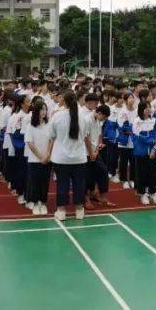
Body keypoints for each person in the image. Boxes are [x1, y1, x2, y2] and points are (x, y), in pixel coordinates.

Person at [50, 91, 92, 220]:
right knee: (79, 184)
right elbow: (86, 137)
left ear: (64, 101)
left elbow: (52, 136)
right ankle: (79, 210)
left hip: (61, 158)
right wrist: (90, 152)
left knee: (62, 183)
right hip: (79, 157)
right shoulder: (83, 117)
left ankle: (61, 211)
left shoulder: (56, 117)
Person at [23, 100, 53, 216]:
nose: (44, 112)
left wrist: (48, 155)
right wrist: (40, 157)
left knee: (45, 182)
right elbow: (30, 144)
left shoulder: (49, 125)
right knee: (35, 181)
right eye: (41, 109)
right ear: (36, 111)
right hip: (34, 160)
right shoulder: (30, 126)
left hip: (47, 158)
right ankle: (35, 203)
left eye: (45, 109)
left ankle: (43, 202)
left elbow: (51, 140)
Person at [131, 101, 156, 205]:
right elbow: (138, 136)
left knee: (152, 173)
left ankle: (152, 193)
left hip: (152, 152)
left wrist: (154, 149)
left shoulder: (155, 121)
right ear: (141, 109)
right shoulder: (136, 121)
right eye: (146, 107)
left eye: (149, 107)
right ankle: (142, 193)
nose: (148, 109)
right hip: (140, 152)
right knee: (141, 173)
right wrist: (151, 141)